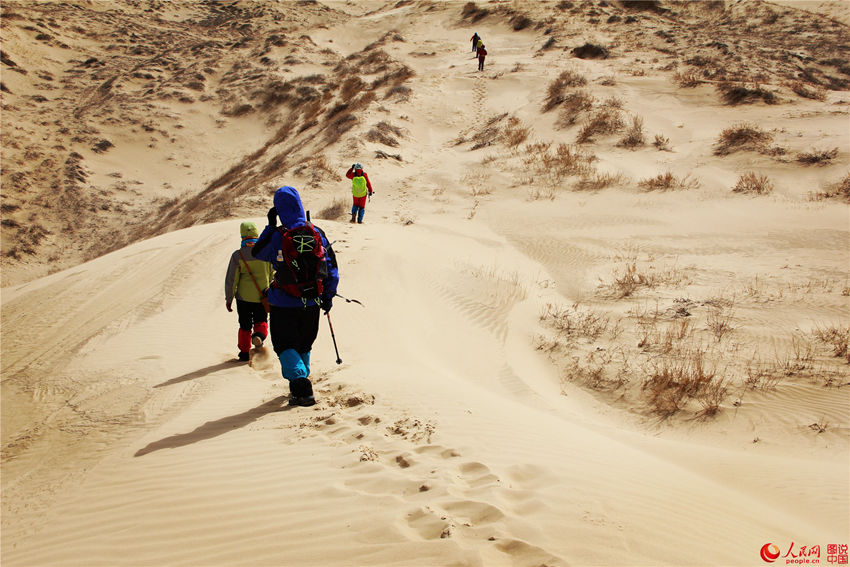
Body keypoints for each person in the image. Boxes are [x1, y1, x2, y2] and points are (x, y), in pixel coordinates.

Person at [251, 186, 339, 406]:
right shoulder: (317, 232)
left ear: (279, 209)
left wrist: (270, 226)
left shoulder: (278, 236)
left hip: (283, 301)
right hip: (312, 300)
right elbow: (331, 266)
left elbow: (257, 252)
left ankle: (301, 387)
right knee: (304, 343)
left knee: (284, 344)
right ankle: (300, 379)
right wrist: (328, 294)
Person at [224, 221, 273, 362]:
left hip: (243, 298)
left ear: (242, 235)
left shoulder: (238, 256)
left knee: (244, 325)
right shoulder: (266, 252)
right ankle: (259, 336)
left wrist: (229, 299)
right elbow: (273, 273)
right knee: (261, 320)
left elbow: (231, 279)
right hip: (262, 295)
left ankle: (244, 353)